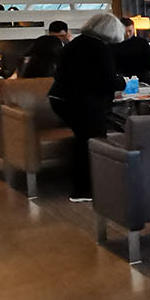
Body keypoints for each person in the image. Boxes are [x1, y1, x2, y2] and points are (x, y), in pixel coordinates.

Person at [48, 13, 127, 201]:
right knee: (91, 142)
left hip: (59, 98)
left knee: (83, 141)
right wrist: (122, 82)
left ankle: (84, 187)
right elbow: (107, 80)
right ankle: (84, 189)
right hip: (81, 103)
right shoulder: (100, 48)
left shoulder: (75, 43)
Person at [113, 17, 150, 89]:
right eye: (125, 31)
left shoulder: (141, 42)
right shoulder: (114, 43)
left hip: (142, 73)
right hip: (122, 75)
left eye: (130, 31)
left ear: (133, 29)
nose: (128, 34)